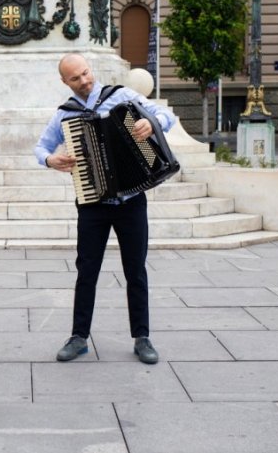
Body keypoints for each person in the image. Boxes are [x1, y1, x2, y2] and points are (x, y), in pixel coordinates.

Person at [34, 53, 177, 365]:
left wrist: (150, 124)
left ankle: (142, 337)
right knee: (87, 271)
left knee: (135, 270)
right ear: (65, 82)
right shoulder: (65, 114)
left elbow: (166, 116)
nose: (84, 81)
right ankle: (78, 337)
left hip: (131, 200)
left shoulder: (121, 96)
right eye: (75, 78)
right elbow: (40, 148)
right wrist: (50, 159)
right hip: (92, 203)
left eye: (85, 73)